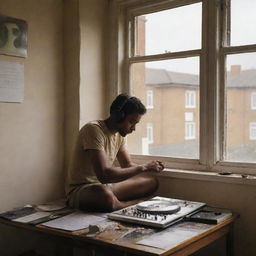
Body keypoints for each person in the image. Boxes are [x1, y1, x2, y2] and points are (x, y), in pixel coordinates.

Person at [65, 93, 164, 212]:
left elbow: (127, 165)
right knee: (105, 196)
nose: (133, 128)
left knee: (151, 182)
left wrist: (148, 168)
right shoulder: (93, 130)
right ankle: (130, 204)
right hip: (83, 190)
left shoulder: (119, 135)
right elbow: (104, 175)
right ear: (118, 116)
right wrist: (143, 167)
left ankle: (115, 202)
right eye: (132, 122)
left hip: (107, 187)